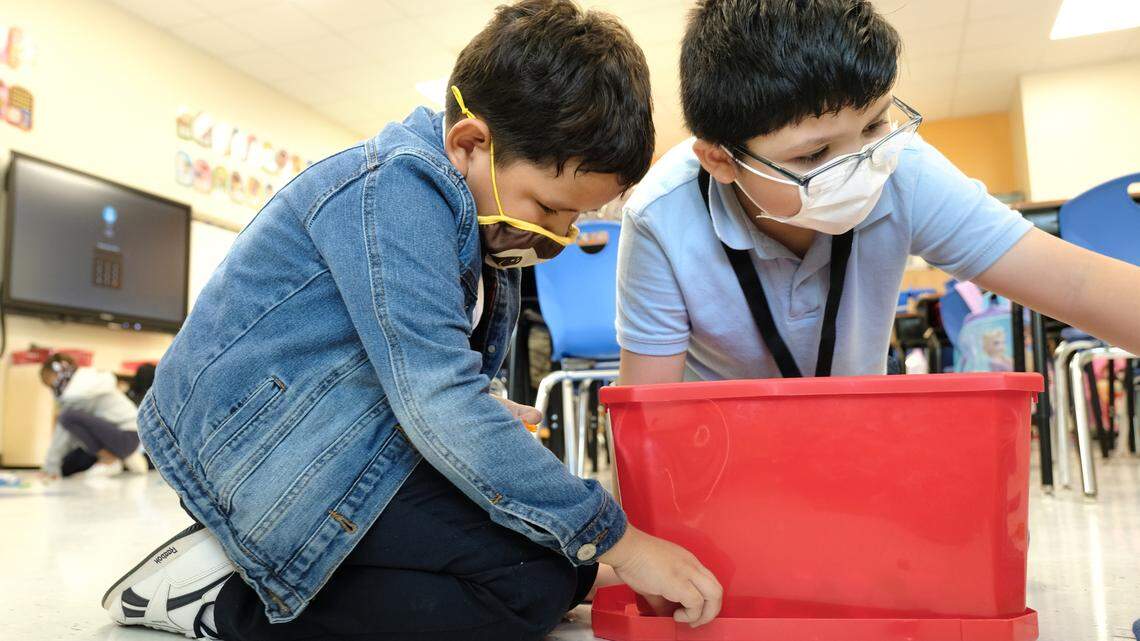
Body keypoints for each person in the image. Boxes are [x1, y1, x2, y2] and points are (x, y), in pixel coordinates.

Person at [100, 2, 722, 640]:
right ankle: (217, 602)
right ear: (470, 144)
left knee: (549, 567)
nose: (554, 237)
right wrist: (622, 542)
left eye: (569, 220)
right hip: (253, 453)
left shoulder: (480, 218)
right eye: (548, 208)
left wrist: (476, 418)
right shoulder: (396, 188)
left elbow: (428, 382)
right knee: (532, 580)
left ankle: (257, 568)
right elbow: (437, 397)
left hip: (340, 442)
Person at [617, 0, 1140, 388]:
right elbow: (650, 412)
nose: (862, 167)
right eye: (812, 156)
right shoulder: (660, 217)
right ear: (722, 160)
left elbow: (1075, 283)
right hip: (722, 441)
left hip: (858, 423)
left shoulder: (905, 169)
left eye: (874, 126)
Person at [39, 353, 147, 479]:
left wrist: (51, 467)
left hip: (126, 438)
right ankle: (125, 457)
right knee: (68, 463)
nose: (52, 390)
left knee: (66, 417)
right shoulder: (87, 381)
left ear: (58, 374)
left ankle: (109, 459)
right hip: (128, 436)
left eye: (51, 384)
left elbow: (63, 431)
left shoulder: (76, 393)